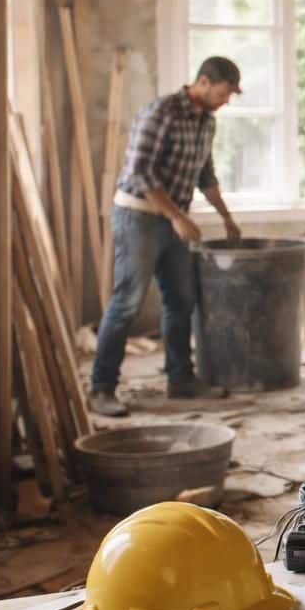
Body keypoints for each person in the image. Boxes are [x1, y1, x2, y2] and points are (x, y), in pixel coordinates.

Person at [89, 56, 244, 417]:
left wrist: (227, 219)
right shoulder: (161, 112)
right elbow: (140, 173)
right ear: (203, 82)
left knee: (181, 300)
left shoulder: (207, 123)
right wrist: (176, 216)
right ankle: (101, 388)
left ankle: (181, 380)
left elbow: (206, 177)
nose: (226, 101)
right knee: (127, 302)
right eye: (223, 93)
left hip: (173, 219)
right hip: (138, 215)